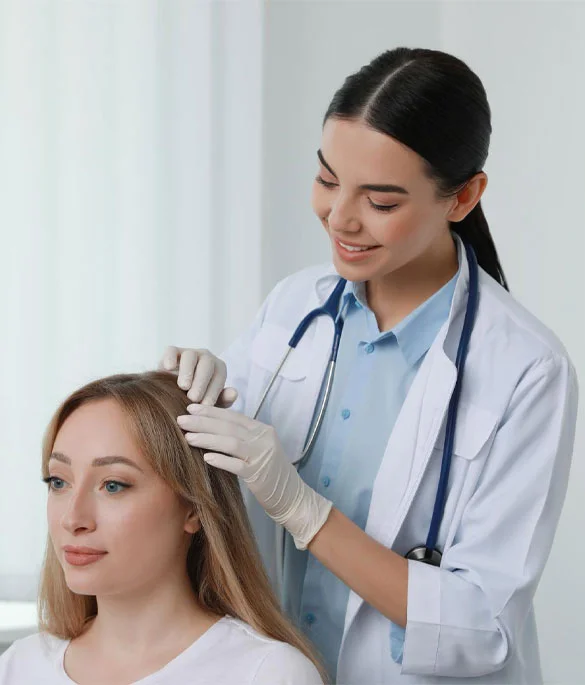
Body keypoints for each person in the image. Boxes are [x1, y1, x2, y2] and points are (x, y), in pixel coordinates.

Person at [162, 47, 579, 684]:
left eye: (381, 202)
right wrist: (190, 396)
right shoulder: (296, 306)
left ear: (463, 197)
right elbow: (212, 481)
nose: (340, 218)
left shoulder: (525, 367)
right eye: (328, 180)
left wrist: (305, 512)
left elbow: (479, 626)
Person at [0, 372, 325, 685]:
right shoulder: (18, 667)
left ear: (194, 508)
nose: (72, 519)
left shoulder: (268, 674)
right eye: (59, 482)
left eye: (113, 485)